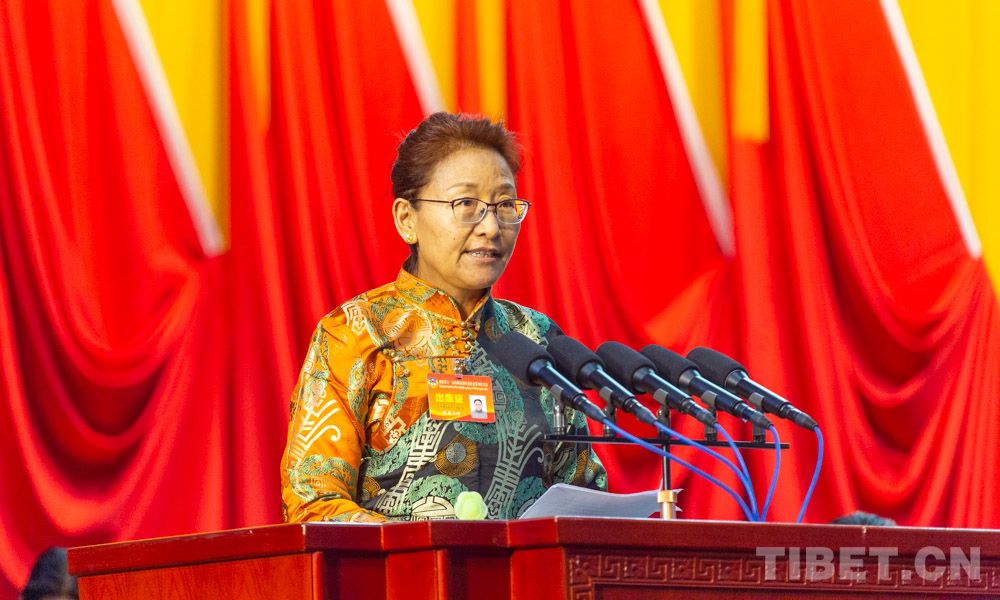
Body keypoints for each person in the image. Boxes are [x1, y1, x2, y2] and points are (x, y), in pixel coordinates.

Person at [280, 112, 606, 522]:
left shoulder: (536, 339)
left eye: (505, 205)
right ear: (407, 219)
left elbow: (583, 496)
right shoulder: (356, 335)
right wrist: (426, 547)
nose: (491, 227)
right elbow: (314, 502)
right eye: (466, 204)